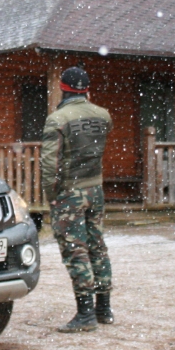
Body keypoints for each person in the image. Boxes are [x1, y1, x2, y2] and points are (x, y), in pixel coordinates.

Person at [40, 66, 114, 332]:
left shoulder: (58, 119)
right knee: (97, 246)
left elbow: (50, 163)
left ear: (63, 87)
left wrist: (52, 193)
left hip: (69, 192)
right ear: (86, 88)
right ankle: (103, 307)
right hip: (96, 189)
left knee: (75, 250)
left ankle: (85, 314)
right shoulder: (103, 116)